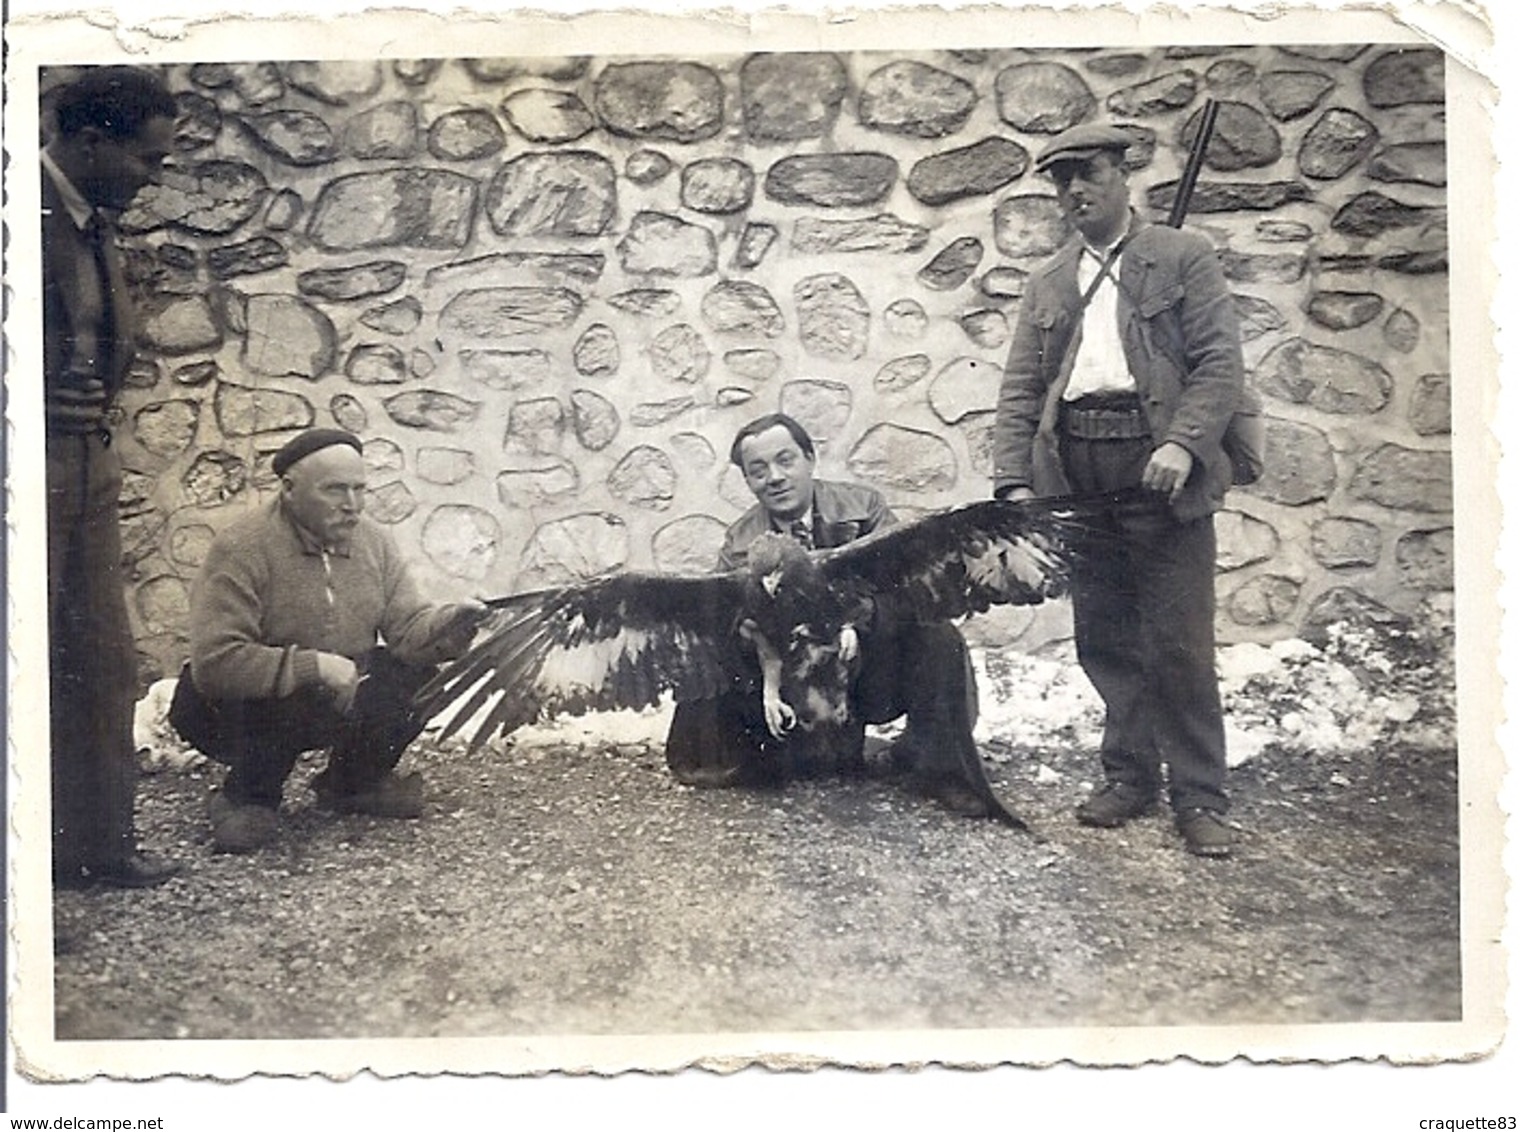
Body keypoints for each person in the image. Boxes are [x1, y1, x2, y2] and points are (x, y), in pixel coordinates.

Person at [991, 123, 1246, 858]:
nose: (1074, 190)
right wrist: (1013, 480)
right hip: (1076, 469)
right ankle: (1129, 777)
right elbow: (1021, 389)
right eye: (1061, 178)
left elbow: (1218, 366)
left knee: (1178, 642)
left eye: (1089, 174)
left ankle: (1199, 795)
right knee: (1104, 636)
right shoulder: (1048, 281)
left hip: (1156, 460)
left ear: (1122, 176)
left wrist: (1181, 442)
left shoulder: (1181, 256)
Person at [169, 429, 489, 853]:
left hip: (328, 695)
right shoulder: (242, 547)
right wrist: (314, 665)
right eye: (335, 490)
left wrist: (451, 625)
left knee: (416, 679)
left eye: (359, 489)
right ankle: (244, 798)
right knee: (292, 691)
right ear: (289, 489)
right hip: (228, 709)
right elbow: (216, 663)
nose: (352, 505)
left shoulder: (374, 542)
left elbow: (407, 631)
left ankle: (352, 784)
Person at [664, 412, 992, 818]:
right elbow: (727, 629)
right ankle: (758, 755)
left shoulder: (863, 507)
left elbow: (904, 593)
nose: (775, 477)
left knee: (936, 633)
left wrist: (857, 619)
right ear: (748, 482)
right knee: (709, 651)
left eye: (785, 460)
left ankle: (943, 768)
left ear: (809, 459)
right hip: (797, 681)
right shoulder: (740, 545)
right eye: (758, 470)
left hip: (869, 669)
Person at [43, 66, 180, 889]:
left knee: (101, 659)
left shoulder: (94, 220)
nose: (155, 177)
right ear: (91, 141)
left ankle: (93, 845)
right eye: (148, 160)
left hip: (85, 473)